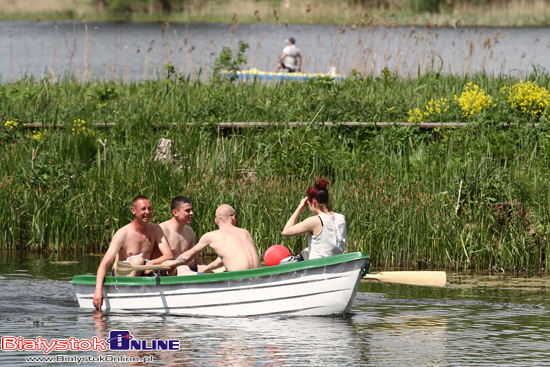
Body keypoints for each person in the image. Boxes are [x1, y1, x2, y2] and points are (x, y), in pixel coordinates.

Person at [92, 196, 174, 310]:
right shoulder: (123, 233)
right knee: (138, 260)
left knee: (175, 265)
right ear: (133, 210)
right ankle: (128, 301)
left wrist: (152, 262)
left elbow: (169, 255)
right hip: (123, 274)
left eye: (149, 209)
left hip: (145, 270)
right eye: (143, 209)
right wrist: (98, 291)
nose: (147, 212)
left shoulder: (155, 229)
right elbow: (104, 264)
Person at [164, 204, 260, 274]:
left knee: (183, 269)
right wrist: (206, 269)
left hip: (238, 279)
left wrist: (173, 263)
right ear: (233, 217)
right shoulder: (245, 232)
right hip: (259, 275)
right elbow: (225, 258)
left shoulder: (211, 236)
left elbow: (186, 257)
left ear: (216, 221)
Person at [281, 179, 346, 259]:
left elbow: (286, 232)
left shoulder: (315, 221)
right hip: (338, 266)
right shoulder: (341, 217)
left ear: (314, 202)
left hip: (320, 268)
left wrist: (299, 208)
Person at [155, 196, 206, 274]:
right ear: (175, 212)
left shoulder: (189, 231)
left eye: (191, 210)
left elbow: (197, 260)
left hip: (187, 270)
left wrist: (205, 267)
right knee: (183, 268)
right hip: (168, 272)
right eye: (187, 211)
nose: (192, 213)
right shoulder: (162, 230)